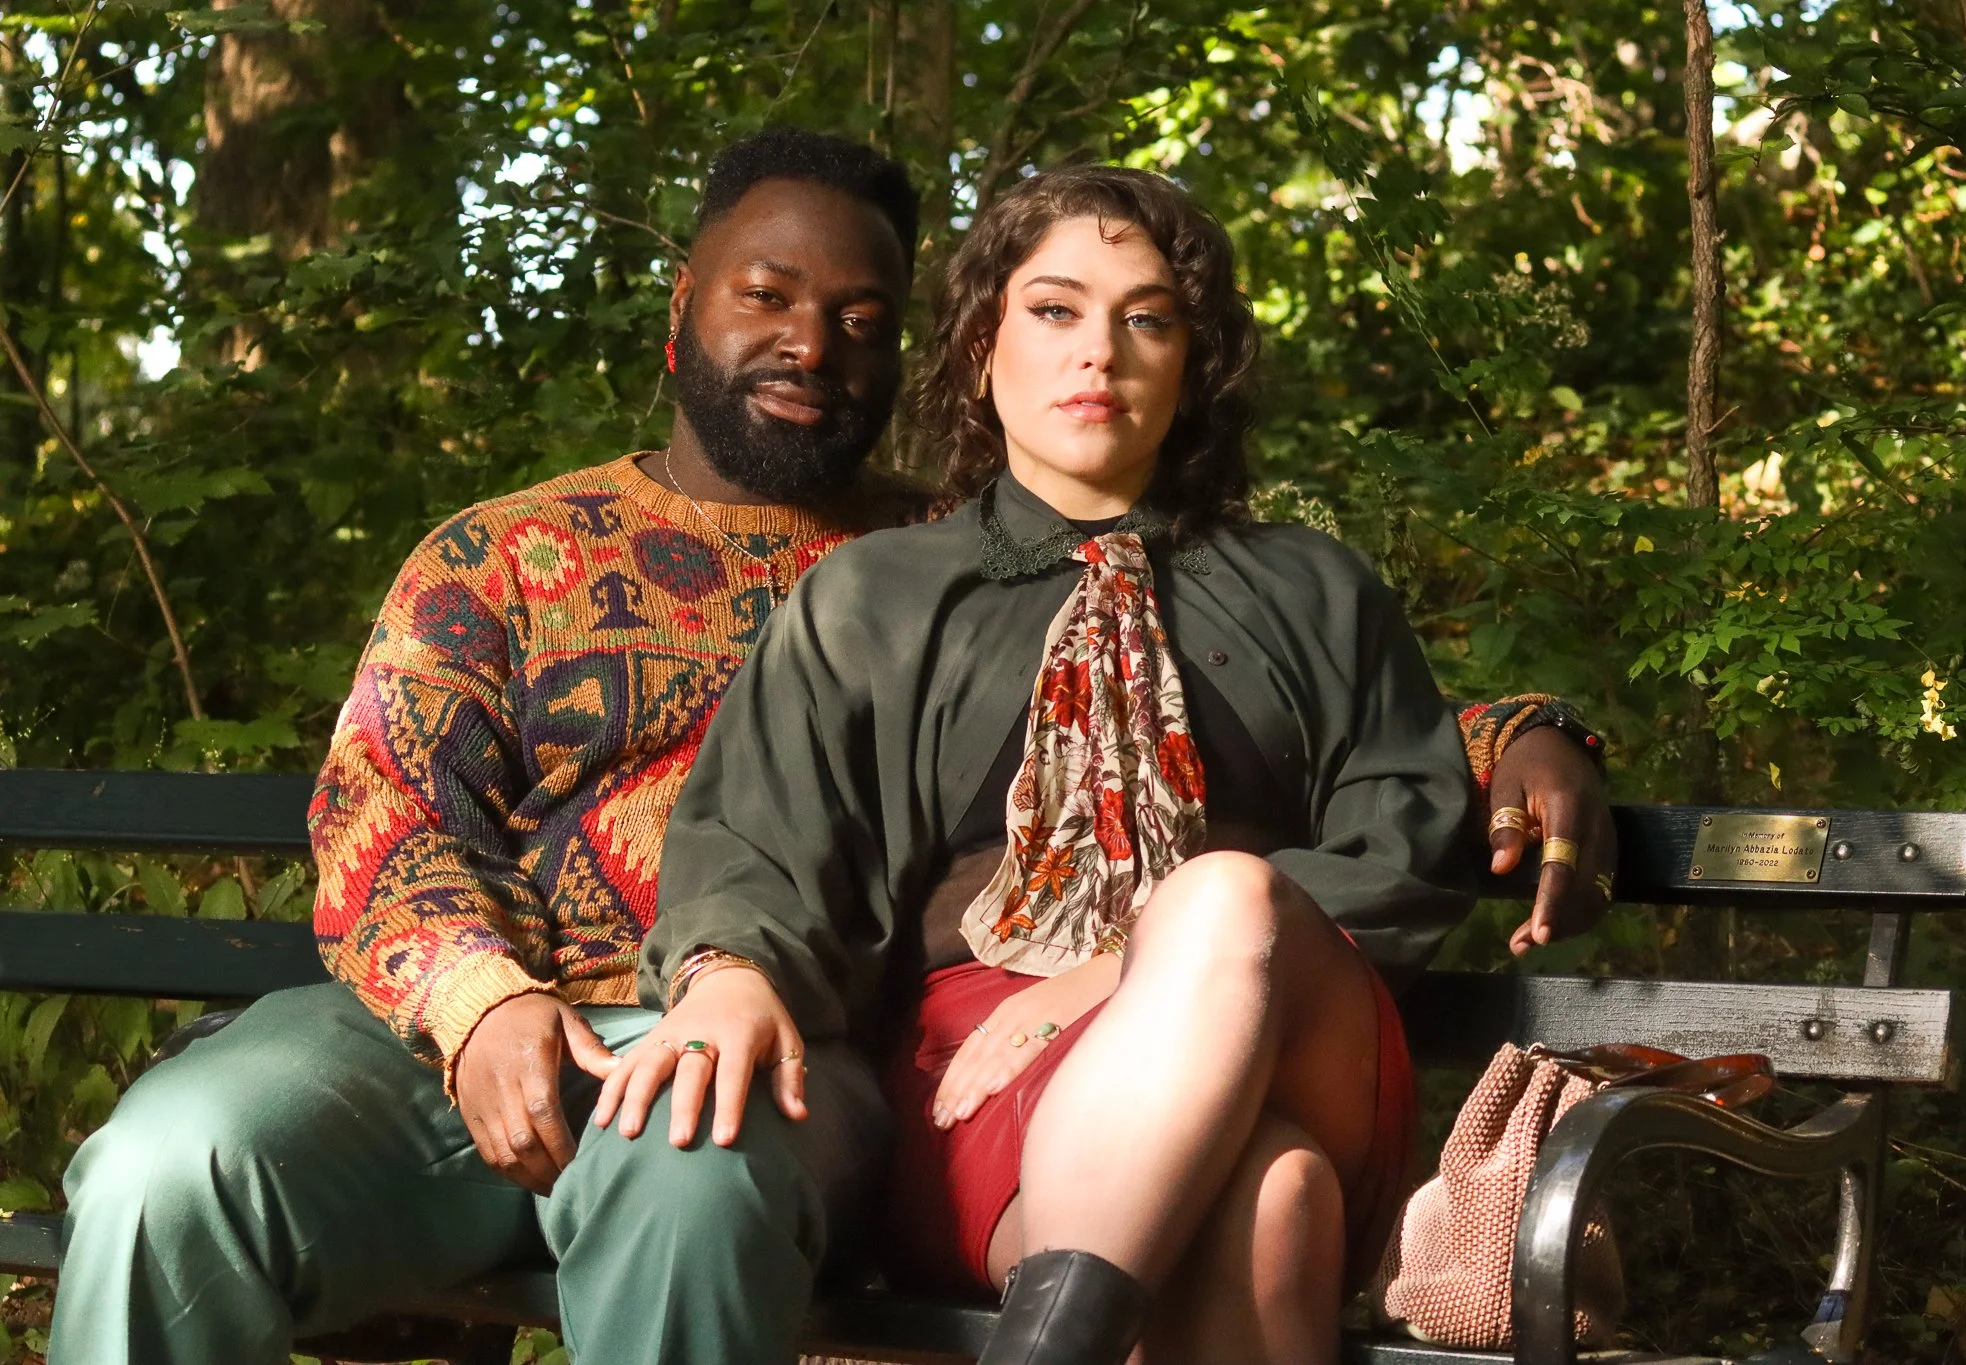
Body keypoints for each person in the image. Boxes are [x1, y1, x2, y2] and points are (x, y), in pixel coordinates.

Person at [51, 127, 1606, 1363]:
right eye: (768, 298)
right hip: (481, 1022)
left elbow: (1214, 684)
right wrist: (480, 1003)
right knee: (170, 1161)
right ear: (684, 312)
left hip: (773, 1042)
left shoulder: (947, 545)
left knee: (698, 1169)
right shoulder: (506, 556)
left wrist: (1519, 735)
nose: (813, 342)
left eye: (860, 318)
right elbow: (382, 816)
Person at [623, 161, 1617, 1365]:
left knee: (1227, 895)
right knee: (1267, 1201)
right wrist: (725, 975)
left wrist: (1113, 975)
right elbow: (757, 850)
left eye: (1145, 317)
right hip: (985, 1080)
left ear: (1191, 364)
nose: (1098, 350)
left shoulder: (1315, 590)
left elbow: (1398, 847)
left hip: (1299, 1032)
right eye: (1053, 309)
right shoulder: (870, 598)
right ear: (983, 345)